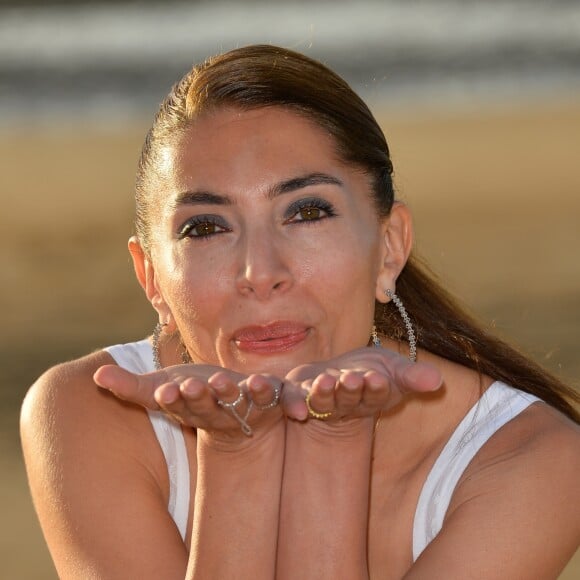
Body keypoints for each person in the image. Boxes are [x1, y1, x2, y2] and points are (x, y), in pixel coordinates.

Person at [21, 44, 579, 579]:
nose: (259, 273)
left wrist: (335, 441)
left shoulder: (531, 459)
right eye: (206, 227)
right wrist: (235, 452)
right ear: (152, 279)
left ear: (389, 248)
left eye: (307, 212)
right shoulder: (95, 409)